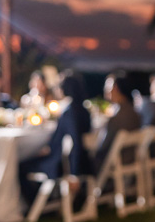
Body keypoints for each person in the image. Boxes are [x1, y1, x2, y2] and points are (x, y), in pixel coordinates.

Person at [18, 72, 92, 209]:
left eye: (59, 86)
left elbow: (75, 142)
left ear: (64, 89)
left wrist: (74, 174)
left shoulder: (70, 112)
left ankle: (37, 206)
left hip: (61, 164)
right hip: (83, 161)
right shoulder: (83, 109)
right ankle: (45, 203)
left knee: (19, 167)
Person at [93, 72, 141, 174]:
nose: (105, 90)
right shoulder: (134, 112)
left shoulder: (116, 117)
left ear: (116, 89)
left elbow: (102, 148)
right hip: (130, 161)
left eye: (108, 87)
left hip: (114, 166)